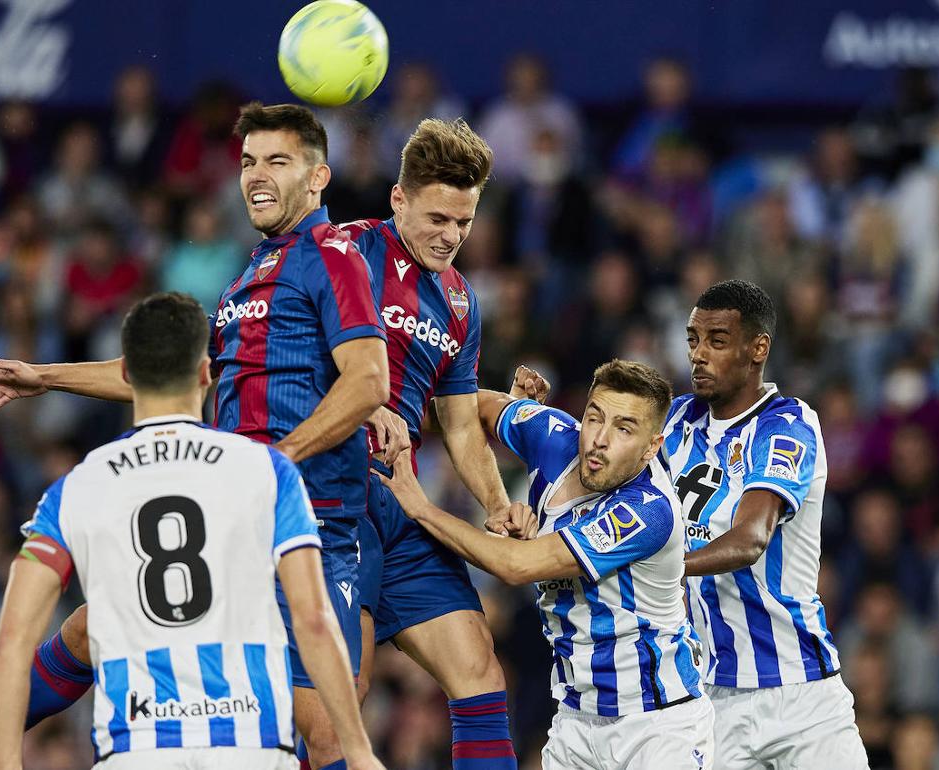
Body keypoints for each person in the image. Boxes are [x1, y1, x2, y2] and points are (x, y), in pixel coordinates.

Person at [0, 104, 389, 770]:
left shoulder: (331, 255)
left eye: (278, 162)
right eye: (247, 162)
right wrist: (46, 376)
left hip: (309, 519)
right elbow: (164, 373)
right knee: (93, 628)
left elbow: (367, 379)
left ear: (318, 177)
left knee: (322, 728)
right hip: (236, 516)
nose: (256, 177)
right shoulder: (251, 275)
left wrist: (278, 463)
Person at [0, 292, 380, 770]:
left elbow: (11, 642)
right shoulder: (266, 472)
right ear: (206, 373)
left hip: (136, 751)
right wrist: (359, 752)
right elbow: (314, 620)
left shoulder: (78, 487)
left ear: (127, 374)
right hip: (247, 748)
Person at [377, 359, 711, 769]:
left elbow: (515, 565)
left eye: (623, 429)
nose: (600, 440)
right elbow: (461, 408)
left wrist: (421, 508)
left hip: (657, 727)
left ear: (651, 446)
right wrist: (396, 419)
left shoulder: (648, 511)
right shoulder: (552, 434)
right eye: (594, 418)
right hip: (575, 719)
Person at [340, 118, 519, 769]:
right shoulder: (343, 252)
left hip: (401, 502)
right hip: (329, 499)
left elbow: (461, 422)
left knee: (479, 667)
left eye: (464, 224)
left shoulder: (462, 304)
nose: (451, 237)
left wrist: (495, 503)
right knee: (342, 692)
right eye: (438, 218)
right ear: (398, 199)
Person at [661, 279, 866, 768]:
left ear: (758, 349)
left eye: (717, 340)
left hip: (804, 694)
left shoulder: (787, 423)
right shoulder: (672, 422)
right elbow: (594, 462)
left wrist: (659, 568)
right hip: (714, 698)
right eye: (693, 339)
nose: (698, 355)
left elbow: (751, 539)